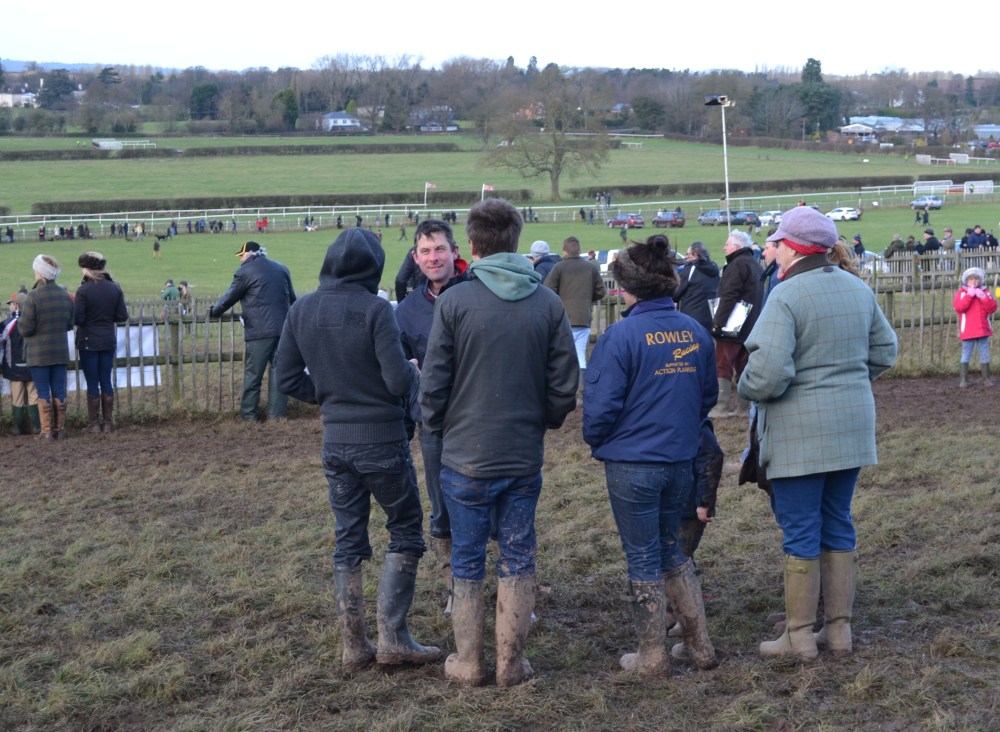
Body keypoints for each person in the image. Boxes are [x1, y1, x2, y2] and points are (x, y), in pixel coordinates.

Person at [420, 198, 578, 687]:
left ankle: (468, 662)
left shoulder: (453, 302)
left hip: (465, 456)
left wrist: (439, 428)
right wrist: (541, 422)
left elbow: (433, 386)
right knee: (518, 555)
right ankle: (510, 662)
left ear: (471, 244)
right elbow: (563, 387)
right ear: (515, 240)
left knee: (466, 559)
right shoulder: (548, 305)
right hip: (521, 454)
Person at [275, 227, 440, 673]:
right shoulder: (375, 310)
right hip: (382, 439)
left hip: (335, 441)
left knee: (348, 538)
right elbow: (395, 381)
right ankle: (394, 639)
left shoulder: (301, 309)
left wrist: (328, 397)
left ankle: (354, 645)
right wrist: (411, 371)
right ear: (375, 267)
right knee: (405, 527)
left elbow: (286, 379)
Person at [737, 206, 898, 661]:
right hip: (852, 428)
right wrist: (843, 380)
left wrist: (743, 384)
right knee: (838, 521)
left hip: (799, 433)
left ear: (791, 247)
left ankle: (800, 637)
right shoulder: (856, 288)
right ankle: (839, 632)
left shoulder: (786, 297)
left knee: (801, 529)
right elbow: (885, 351)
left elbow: (766, 375)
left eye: (778, 243)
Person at [583, 234, 718, 675]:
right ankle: (699, 648)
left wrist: (599, 443)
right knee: (671, 550)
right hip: (679, 461)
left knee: (642, 555)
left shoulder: (620, 337)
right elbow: (706, 397)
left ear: (626, 288)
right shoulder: (696, 331)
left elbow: (599, 409)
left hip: (632, 464)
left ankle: (652, 655)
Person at [394, 220, 469, 614]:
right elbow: (401, 371)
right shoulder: (406, 311)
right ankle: (455, 585)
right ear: (415, 258)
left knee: (491, 501)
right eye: (425, 251)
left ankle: (510, 584)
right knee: (441, 505)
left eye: (439, 249)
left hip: (477, 417)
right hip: (434, 423)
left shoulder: (478, 293)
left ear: (455, 251)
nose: (433, 257)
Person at [209, 241, 296, 422]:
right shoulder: (282, 268)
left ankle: (249, 415)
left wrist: (214, 311)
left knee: (253, 374)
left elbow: (229, 298)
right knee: (278, 372)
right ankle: (276, 415)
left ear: (249, 254)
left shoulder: (245, 272)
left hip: (259, 331)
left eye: (241, 255)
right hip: (283, 331)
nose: (240, 259)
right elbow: (293, 299)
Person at [18, 255, 75, 440]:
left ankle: (46, 431)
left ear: (40, 274)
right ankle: (60, 430)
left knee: (42, 391)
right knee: (59, 390)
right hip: (59, 352)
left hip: (38, 354)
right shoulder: (65, 296)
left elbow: (25, 329)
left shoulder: (33, 297)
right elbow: (69, 324)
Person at [75, 252, 129, 433]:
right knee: (106, 380)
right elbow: (122, 316)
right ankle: (107, 423)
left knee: (92, 382)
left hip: (88, 341)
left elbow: (79, 319)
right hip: (108, 340)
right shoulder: (114, 288)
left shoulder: (83, 290)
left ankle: (94, 424)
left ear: (87, 269)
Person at [710, 230, 762, 418]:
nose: (724, 247)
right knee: (743, 365)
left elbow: (728, 296)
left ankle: (722, 407)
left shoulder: (736, 265)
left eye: (727, 243)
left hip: (731, 325)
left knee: (722, 364)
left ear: (736, 247)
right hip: (750, 324)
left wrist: (717, 323)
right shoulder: (755, 265)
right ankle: (744, 408)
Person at [544, 236, 607, 381]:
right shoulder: (590, 267)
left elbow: (547, 290)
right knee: (580, 354)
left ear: (564, 251)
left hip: (563, 319)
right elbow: (601, 292)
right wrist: (586, 298)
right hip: (584, 317)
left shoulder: (559, 267)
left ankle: (564, 387)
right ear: (580, 251)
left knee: (561, 355)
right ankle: (580, 387)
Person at [1, 291, 40, 436]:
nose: (10, 307)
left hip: (14, 367)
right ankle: (36, 427)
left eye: (10, 304)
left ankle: (17, 428)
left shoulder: (7, 324)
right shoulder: (34, 322)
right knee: (34, 396)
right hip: (33, 365)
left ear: (16, 305)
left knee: (17, 398)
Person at [953, 266, 996, 388]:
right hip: (968, 330)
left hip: (983, 329)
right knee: (966, 354)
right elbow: (959, 307)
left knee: (984, 353)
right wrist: (969, 296)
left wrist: (984, 297)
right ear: (966, 281)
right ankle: (964, 380)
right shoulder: (961, 294)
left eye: (976, 279)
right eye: (971, 279)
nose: (974, 281)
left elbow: (992, 308)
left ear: (980, 280)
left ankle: (986, 379)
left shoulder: (985, 292)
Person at [673, 241, 720, 333]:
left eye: (687, 254)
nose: (685, 257)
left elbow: (675, 295)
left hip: (690, 320)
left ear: (695, 255)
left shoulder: (689, 270)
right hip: (710, 320)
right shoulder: (715, 270)